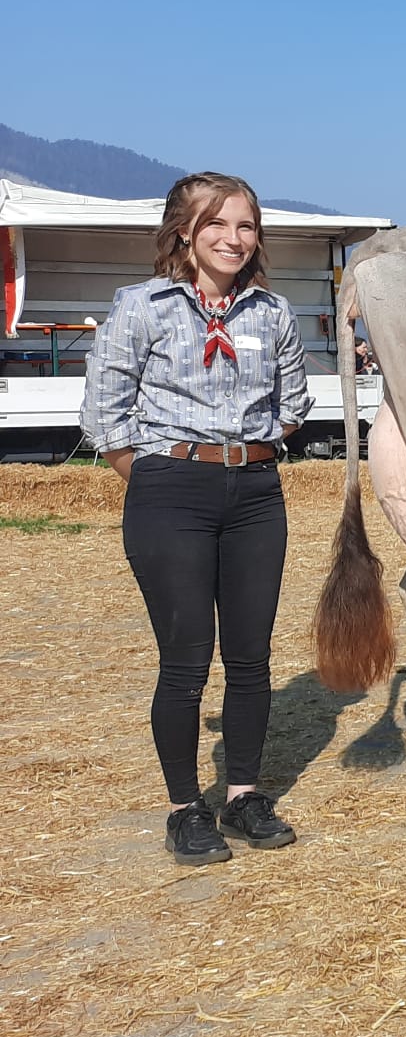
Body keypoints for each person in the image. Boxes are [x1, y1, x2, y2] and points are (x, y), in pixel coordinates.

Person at [79, 172, 311, 865]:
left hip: (256, 494)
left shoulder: (272, 313)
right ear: (184, 232)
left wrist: (247, 455)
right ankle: (186, 808)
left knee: (251, 657)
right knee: (185, 660)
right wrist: (161, 477)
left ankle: (243, 795)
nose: (234, 239)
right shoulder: (142, 306)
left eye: (246, 226)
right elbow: (104, 413)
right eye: (217, 224)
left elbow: (293, 404)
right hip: (170, 491)